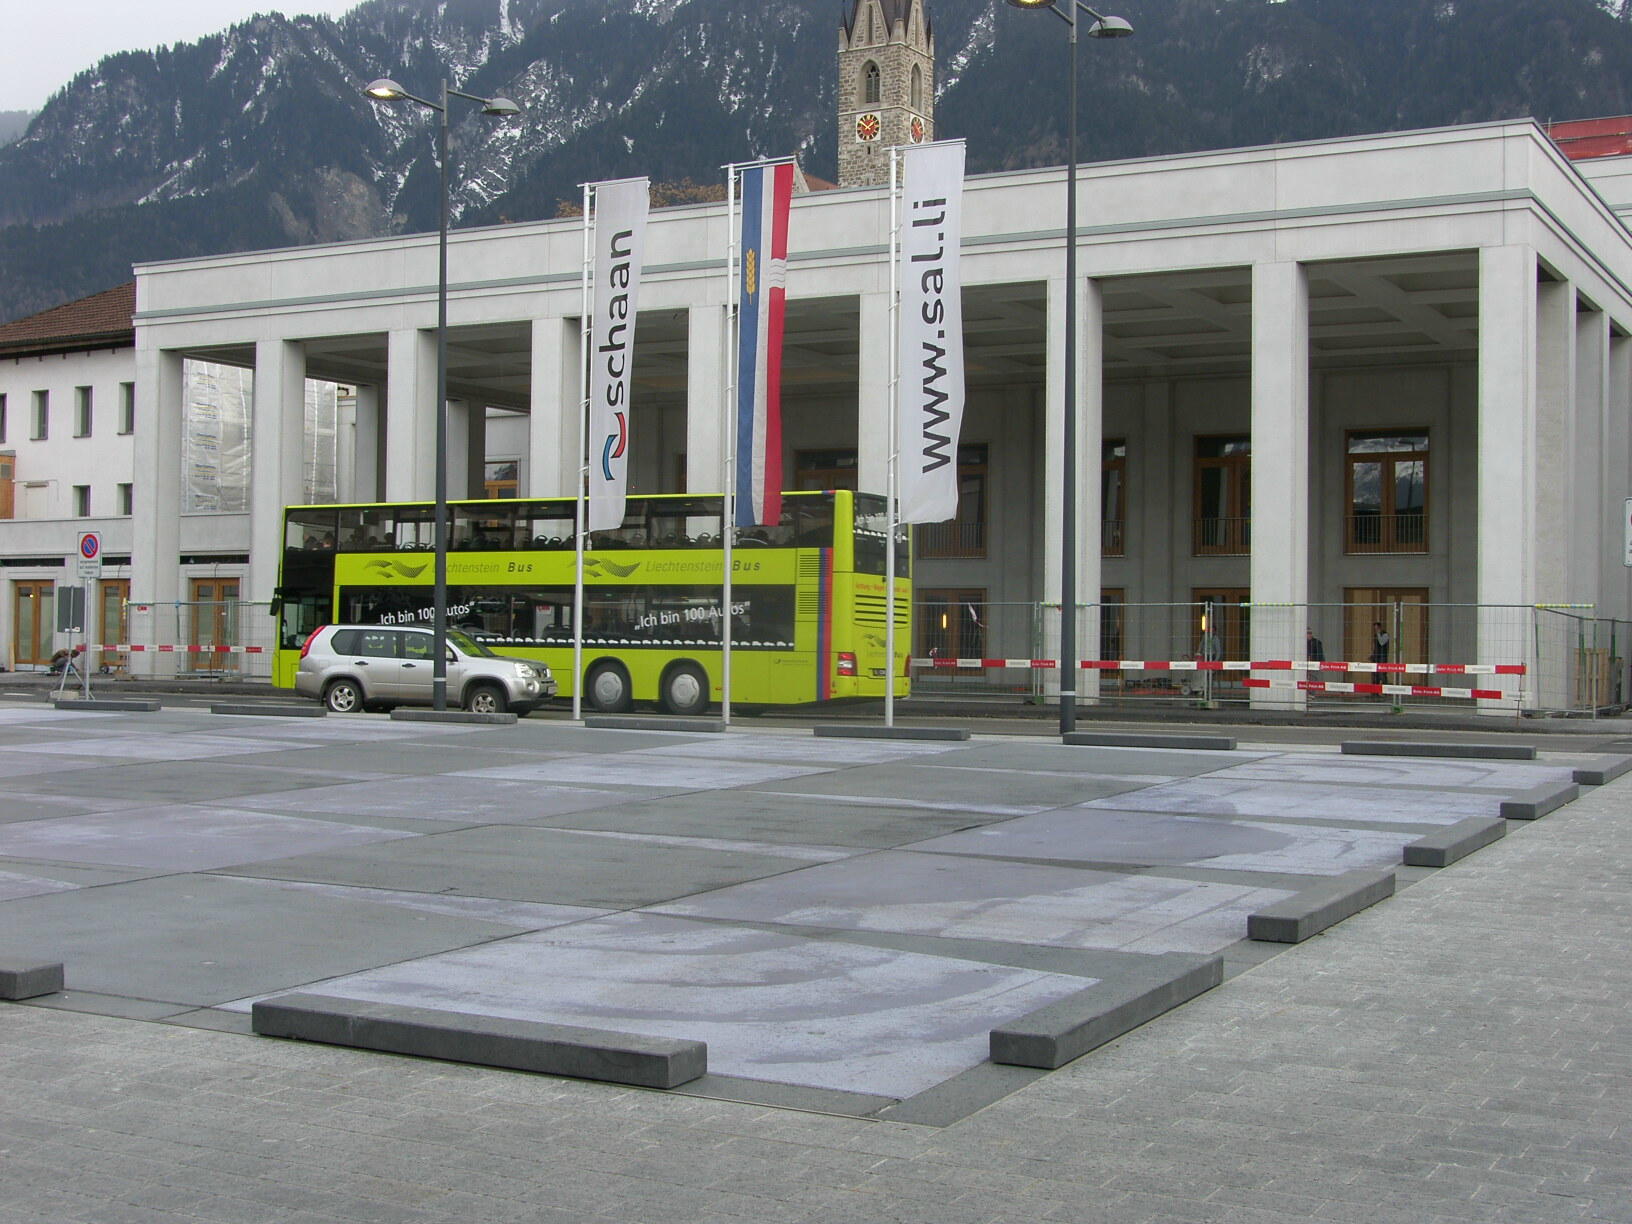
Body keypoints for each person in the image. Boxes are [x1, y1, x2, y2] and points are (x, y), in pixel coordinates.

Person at [1370, 620, 1391, 687]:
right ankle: (1375, 689)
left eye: (1377, 628)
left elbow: (1381, 642)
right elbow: (1375, 645)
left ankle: (1385, 688)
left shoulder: (1385, 634)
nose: (1376, 630)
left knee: (1382, 673)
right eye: (1375, 628)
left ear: (1380, 627)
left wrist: (1378, 634)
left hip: (1382, 656)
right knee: (1375, 673)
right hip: (1376, 656)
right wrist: (1372, 654)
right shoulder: (1376, 635)